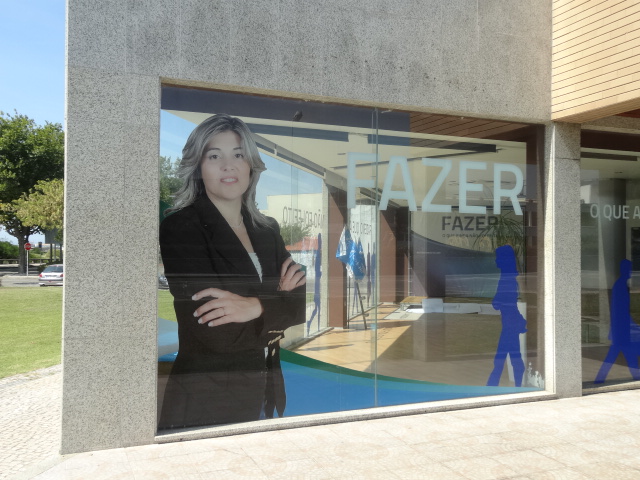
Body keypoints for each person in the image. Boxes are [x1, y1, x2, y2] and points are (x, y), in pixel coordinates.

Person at [158, 114, 306, 429]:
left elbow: (299, 302)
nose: (229, 166)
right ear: (198, 168)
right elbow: (217, 333)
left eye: (238, 155)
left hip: (259, 383)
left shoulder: (266, 229)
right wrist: (277, 302)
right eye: (214, 156)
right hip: (205, 394)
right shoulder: (182, 227)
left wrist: (256, 307)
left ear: (250, 164)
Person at [594, 259, 640, 383]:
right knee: (618, 356)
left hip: (621, 330)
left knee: (626, 356)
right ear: (624, 270)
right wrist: (632, 325)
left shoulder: (621, 285)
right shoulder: (620, 286)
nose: (630, 271)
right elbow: (620, 310)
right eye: (629, 269)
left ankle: (600, 379)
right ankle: (599, 379)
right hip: (621, 331)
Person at [487, 244, 527, 387]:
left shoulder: (507, 279)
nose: (496, 261)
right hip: (511, 323)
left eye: (498, 258)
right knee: (511, 357)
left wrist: (497, 301)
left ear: (504, 260)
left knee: (501, 358)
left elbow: (498, 303)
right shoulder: (509, 277)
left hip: (509, 323)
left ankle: (491, 387)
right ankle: (516, 386)